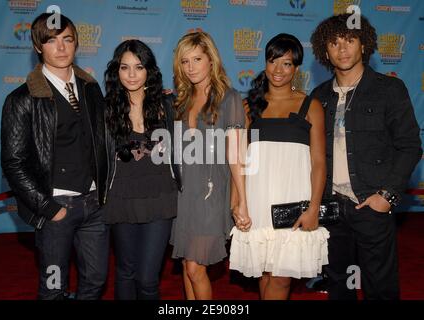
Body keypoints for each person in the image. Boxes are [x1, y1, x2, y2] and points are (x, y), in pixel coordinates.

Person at [0, 13, 114, 299]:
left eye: (67, 39)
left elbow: (106, 138)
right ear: (39, 47)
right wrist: (50, 210)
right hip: (56, 210)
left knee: (96, 280)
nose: (61, 48)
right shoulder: (22, 99)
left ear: (76, 44)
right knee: (53, 288)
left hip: (94, 206)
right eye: (52, 40)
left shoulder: (91, 90)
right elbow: (13, 163)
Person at [310, 13, 422, 300]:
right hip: (332, 208)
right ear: (325, 51)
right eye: (334, 43)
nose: (343, 48)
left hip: (371, 205)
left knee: (380, 287)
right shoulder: (319, 96)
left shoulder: (388, 90)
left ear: (364, 45)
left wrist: (387, 196)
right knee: (339, 284)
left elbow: (409, 145)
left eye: (350, 40)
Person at [229, 33, 329, 300]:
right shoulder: (249, 106)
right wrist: (237, 201)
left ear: (296, 68)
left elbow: (319, 163)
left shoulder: (311, 106)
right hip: (258, 200)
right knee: (264, 273)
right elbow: (237, 159)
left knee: (282, 277)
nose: (278, 70)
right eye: (273, 61)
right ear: (265, 63)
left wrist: (313, 208)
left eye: (286, 64)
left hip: (294, 201)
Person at [169, 31, 247, 300]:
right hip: (183, 193)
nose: (191, 67)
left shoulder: (229, 98)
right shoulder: (180, 101)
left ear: (211, 60)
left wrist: (241, 201)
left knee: (195, 267)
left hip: (212, 193)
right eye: (185, 61)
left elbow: (237, 155)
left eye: (197, 59)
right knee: (186, 266)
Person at [103, 39, 181, 300]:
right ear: (116, 71)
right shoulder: (106, 109)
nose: (132, 74)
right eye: (125, 68)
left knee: (148, 279)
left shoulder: (168, 105)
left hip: (160, 196)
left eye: (139, 67)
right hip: (120, 197)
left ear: (149, 70)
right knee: (126, 271)